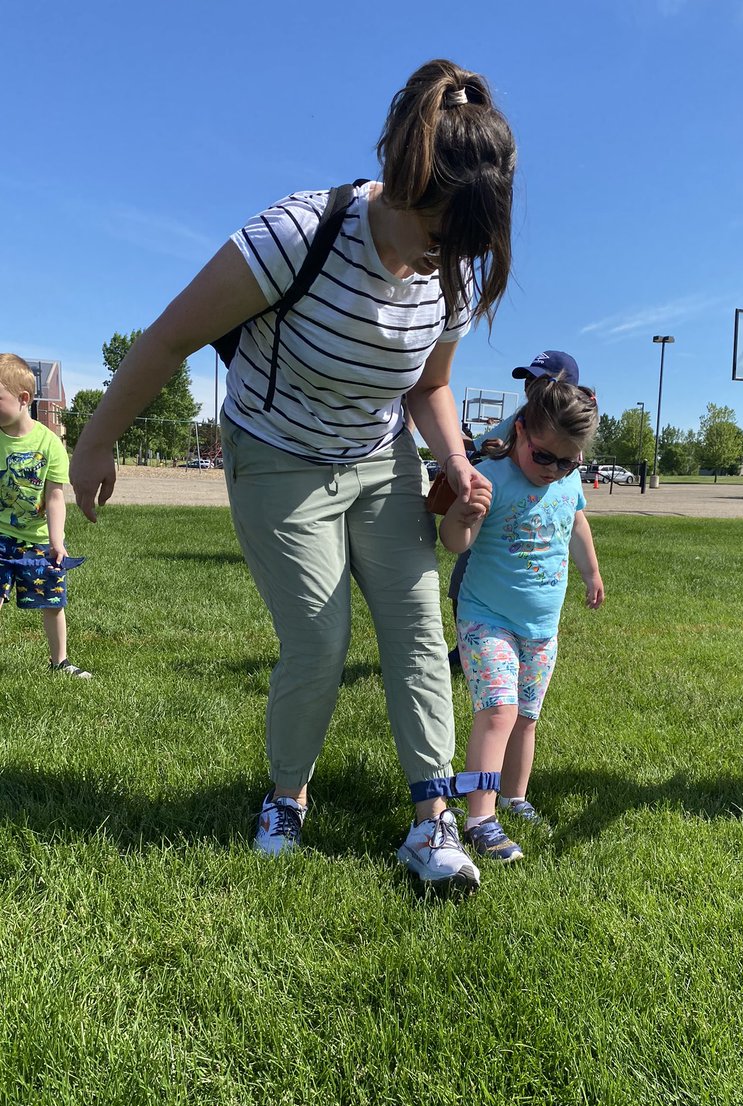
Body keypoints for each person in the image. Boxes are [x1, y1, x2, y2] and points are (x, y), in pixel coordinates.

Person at [69, 59, 516, 891]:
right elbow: (169, 336)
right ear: (401, 176)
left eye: (463, 246)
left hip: (381, 458)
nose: (442, 261)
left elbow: (431, 383)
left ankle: (432, 821)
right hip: (276, 454)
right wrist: (97, 441)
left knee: (420, 631)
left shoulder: (448, 271)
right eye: (435, 232)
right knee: (319, 638)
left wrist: (455, 458)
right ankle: (286, 796)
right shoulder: (296, 234)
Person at [439, 376, 604, 861]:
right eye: (544, 456)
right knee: (498, 713)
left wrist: (591, 572)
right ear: (521, 431)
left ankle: (514, 797)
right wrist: (463, 514)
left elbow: (577, 523)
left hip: (541, 629)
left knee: (527, 719)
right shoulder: (491, 476)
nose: (554, 470)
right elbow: (454, 543)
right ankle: (480, 818)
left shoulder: (568, 480)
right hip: (486, 618)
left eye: (568, 460)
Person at [447, 351, 584, 670]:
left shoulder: (561, 426)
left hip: (523, 523)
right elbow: (484, 445)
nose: (531, 388)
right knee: (463, 583)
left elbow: (576, 513)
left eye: (540, 381)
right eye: (528, 380)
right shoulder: (523, 419)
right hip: (494, 512)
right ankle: (472, 644)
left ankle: (504, 644)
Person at [0, 354, 91, 679]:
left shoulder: (49, 443)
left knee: (53, 601)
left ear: (23, 399)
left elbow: (54, 497)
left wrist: (56, 541)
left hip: (37, 541)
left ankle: (60, 662)